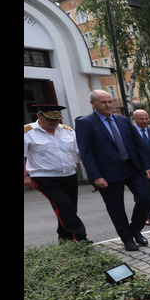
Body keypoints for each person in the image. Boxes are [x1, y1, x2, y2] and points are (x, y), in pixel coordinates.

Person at [76, 90, 150, 251]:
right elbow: (86, 152)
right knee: (116, 208)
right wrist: (96, 176)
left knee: (144, 198)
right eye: (103, 102)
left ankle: (135, 230)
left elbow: (138, 145)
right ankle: (127, 239)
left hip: (132, 168)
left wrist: (146, 166)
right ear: (93, 103)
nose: (108, 105)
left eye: (110, 101)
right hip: (107, 173)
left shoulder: (123, 120)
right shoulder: (86, 123)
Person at [24, 104, 89, 243]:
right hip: (44, 177)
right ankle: (81, 237)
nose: (54, 122)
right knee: (64, 206)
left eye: (57, 119)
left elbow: (80, 153)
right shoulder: (27, 132)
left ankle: (65, 238)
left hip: (69, 175)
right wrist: (25, 176)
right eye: (50, 119)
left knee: (69, 208)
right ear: (39, 116)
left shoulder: (67, 130)